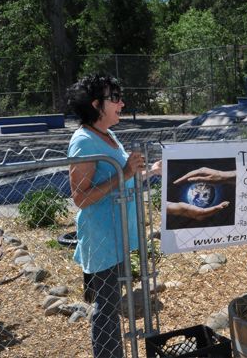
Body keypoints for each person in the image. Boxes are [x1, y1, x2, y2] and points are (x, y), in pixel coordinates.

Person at [67, 75, 161, 358]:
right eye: (115, 98)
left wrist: (151, 171)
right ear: (96, 105)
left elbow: (125, 178)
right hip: (102, 238)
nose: (122, 102)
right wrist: (127, 173)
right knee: (106, 309)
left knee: (110, 304)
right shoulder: (83, 142)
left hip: (118, 234)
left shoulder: (108, 136)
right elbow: (80, 197)